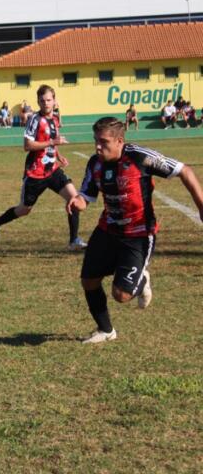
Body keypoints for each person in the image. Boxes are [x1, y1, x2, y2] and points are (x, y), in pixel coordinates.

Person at [66, 117, 203, 344]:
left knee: (121, 295)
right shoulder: (95, 163)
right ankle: (106, 330)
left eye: (103, 142)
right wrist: (77, 202)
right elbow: (86, 195)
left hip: (138, 235)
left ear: (119, 141)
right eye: (95, 141)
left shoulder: (140, 156)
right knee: (89, 280)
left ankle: (141, 279)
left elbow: (183, 170)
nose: (98, 147)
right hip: (107, 229)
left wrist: (200, 205)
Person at [0, 84, 86, 250]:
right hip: (35, 173)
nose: (46, 103)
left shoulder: (55, 119)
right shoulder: (34, 120)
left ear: (54, 101)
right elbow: (27, 145)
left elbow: (53, 140)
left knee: (74, 199)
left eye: (49, 100)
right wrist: (53, 142)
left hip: (52, 170)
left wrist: (58, 155)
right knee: (24, 210)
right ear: (38, 102)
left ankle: (73, 240)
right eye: (42, 100)